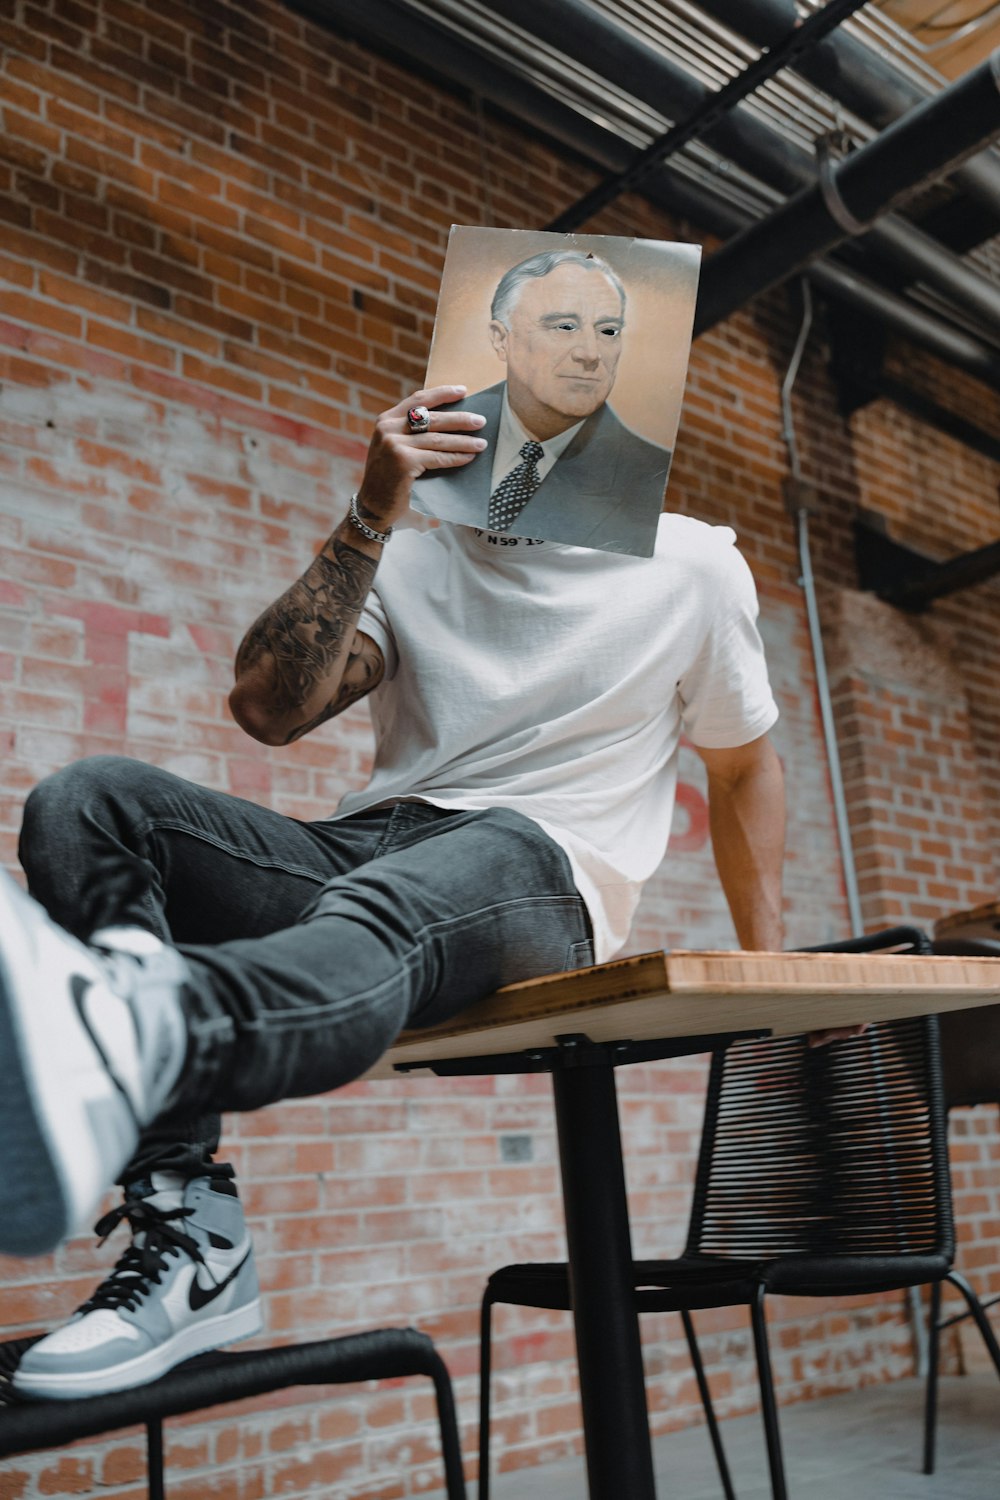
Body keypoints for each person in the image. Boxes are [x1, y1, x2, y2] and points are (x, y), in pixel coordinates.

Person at [0, 382, 785, 1401]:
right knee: (91, 802)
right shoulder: (414, 556)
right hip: (373, 846)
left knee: (412, 893)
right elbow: (267, 711)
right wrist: (373, 509)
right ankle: (194, 1237)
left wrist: (767, 962)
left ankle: (138, 1038)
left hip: (545, 873)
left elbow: (743, 767)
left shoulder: (689, 565)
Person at [411, 250, 674, 555]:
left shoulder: (643, 474)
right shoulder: (437, 434)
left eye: (608, 331)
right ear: (501, 339)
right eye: (564, 326)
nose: (590, 354)